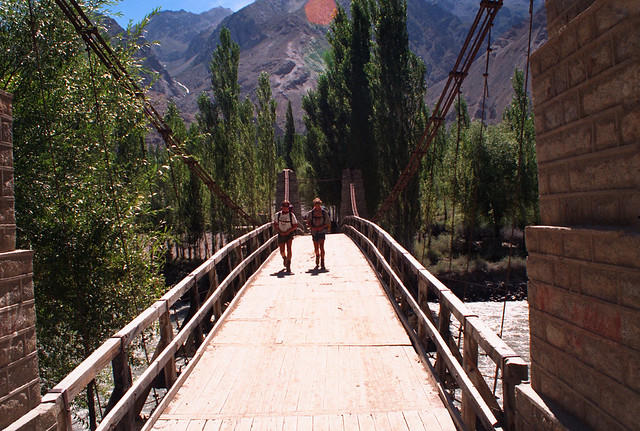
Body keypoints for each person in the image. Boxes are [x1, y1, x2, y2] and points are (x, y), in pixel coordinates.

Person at [305, 197, 331, 270]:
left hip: (321, 231)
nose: (317, 206)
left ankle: (322, 261)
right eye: (316, 205)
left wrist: (322, 227)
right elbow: (308, 222)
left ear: (320, 204)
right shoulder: (311, 213)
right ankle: (317, 256)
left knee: (322, 246)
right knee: (316, 247)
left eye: (318, 205)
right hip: (314, 231)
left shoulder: (324, 212)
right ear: (314, 205)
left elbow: (327, 222)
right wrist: (312, 227)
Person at [273, 200, 298, 272]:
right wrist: (280, 231)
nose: (285, 208)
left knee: (289, 248)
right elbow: (275, 224)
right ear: (282, 207)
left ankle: (288, 264)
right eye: (284, 206)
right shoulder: (277, 215)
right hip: (281, 233)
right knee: (282, 250)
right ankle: (284, 258)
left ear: (288, 207)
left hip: (289, 234)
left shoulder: (291, 215)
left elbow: (295, 225)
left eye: (287, 207)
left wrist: (288, 231)